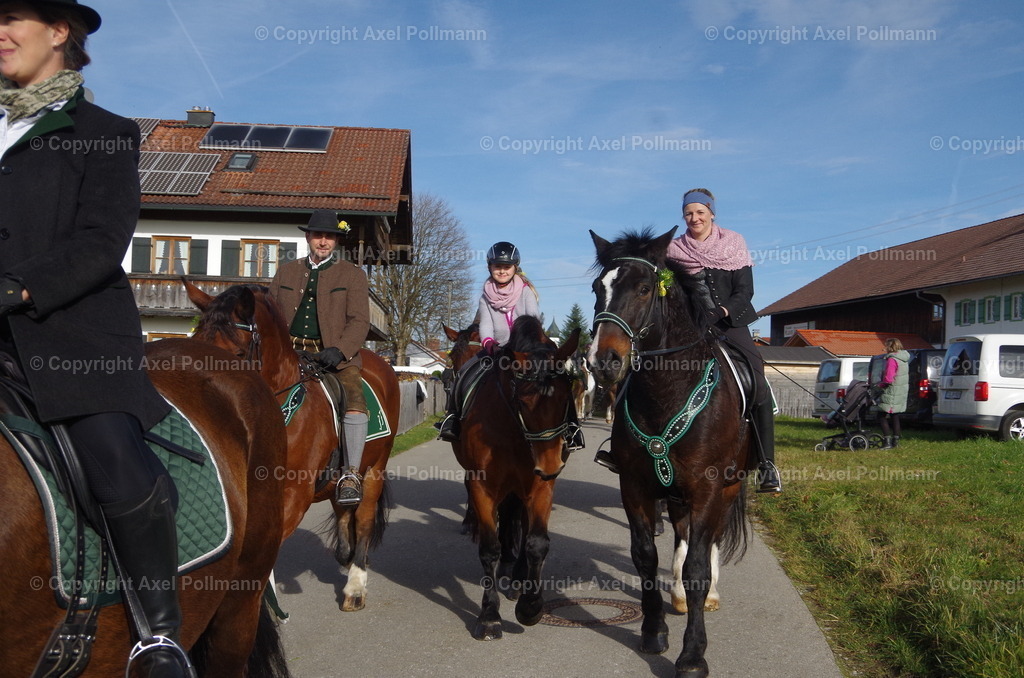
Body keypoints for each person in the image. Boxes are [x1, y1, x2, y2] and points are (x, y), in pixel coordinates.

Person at [0, 2, 192, 675]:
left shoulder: (106, 133)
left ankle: (157, 634)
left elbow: (100, 243)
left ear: (59, 33)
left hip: (72, 339)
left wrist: (18, 288)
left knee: (116, 462)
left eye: (12, 16)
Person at [595, 189, 781, 493]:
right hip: (690, 326)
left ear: (712, 213)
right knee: (636, 375)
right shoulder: (674, 249)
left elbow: (744, 291)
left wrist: (720, 311)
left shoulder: (734, 243)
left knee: (757, 380)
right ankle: (621, 451)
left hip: (730, 323)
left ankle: (766, 463)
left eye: (699, 212)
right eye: (688, 213)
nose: (694, 218)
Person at [437, 241, 586, 451]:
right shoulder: (485, 297)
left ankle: (572, 427)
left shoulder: (525, 291)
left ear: (515, 267)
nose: (502, 271)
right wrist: (489, 343)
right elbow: (486, 324)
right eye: (497, 266)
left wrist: (525, 344)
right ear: (489, 267)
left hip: (526, 347)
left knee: (560, 374)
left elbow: (532, 319)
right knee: (465, 373)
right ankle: (452, 419)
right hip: (497, 348)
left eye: (506, 267)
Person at [269, 209, 370, 506]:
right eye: (317, 236)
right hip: (288, 353)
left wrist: (339, 350)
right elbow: (270, 313)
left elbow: (360, 321)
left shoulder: (352, 275)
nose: (322, 241)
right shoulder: (285, 272)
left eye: (328, 236)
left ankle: (350, 474)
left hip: (335, 357)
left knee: (354, 403)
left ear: (336, 240)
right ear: (308, 237)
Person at [872, 338, 909, 449]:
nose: (885, 348)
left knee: (881, 415)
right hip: (900, 391)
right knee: (895, 416)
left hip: (891, 391)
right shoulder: (904, 359)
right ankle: (896, 442)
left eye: (886, 346)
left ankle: (887, 441)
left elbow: (888, 379)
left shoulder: (892, 359)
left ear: (890, 347)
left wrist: (879, 385)